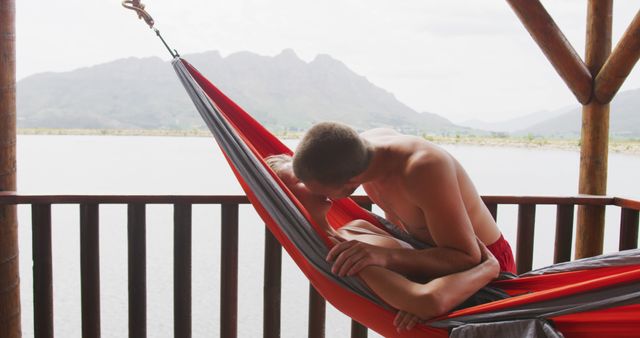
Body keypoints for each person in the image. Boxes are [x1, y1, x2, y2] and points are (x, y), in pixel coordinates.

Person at [265, 154, 500, 332]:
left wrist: (416, 307)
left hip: (471, 304)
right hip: (463, 321)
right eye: (302, 179)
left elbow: (425, 272)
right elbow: (428, 300)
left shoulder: (358, 227)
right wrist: (487, 269)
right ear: (283, 199)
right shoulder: (342, 255)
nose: (317, 181)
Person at [292, 122, 516, 279]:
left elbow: (468, 257)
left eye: (325, 194)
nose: (325, 200)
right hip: (431, 262)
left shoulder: (423, 168)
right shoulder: (362, 152)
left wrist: (384, 256)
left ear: (351, 182)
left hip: (487, 267)